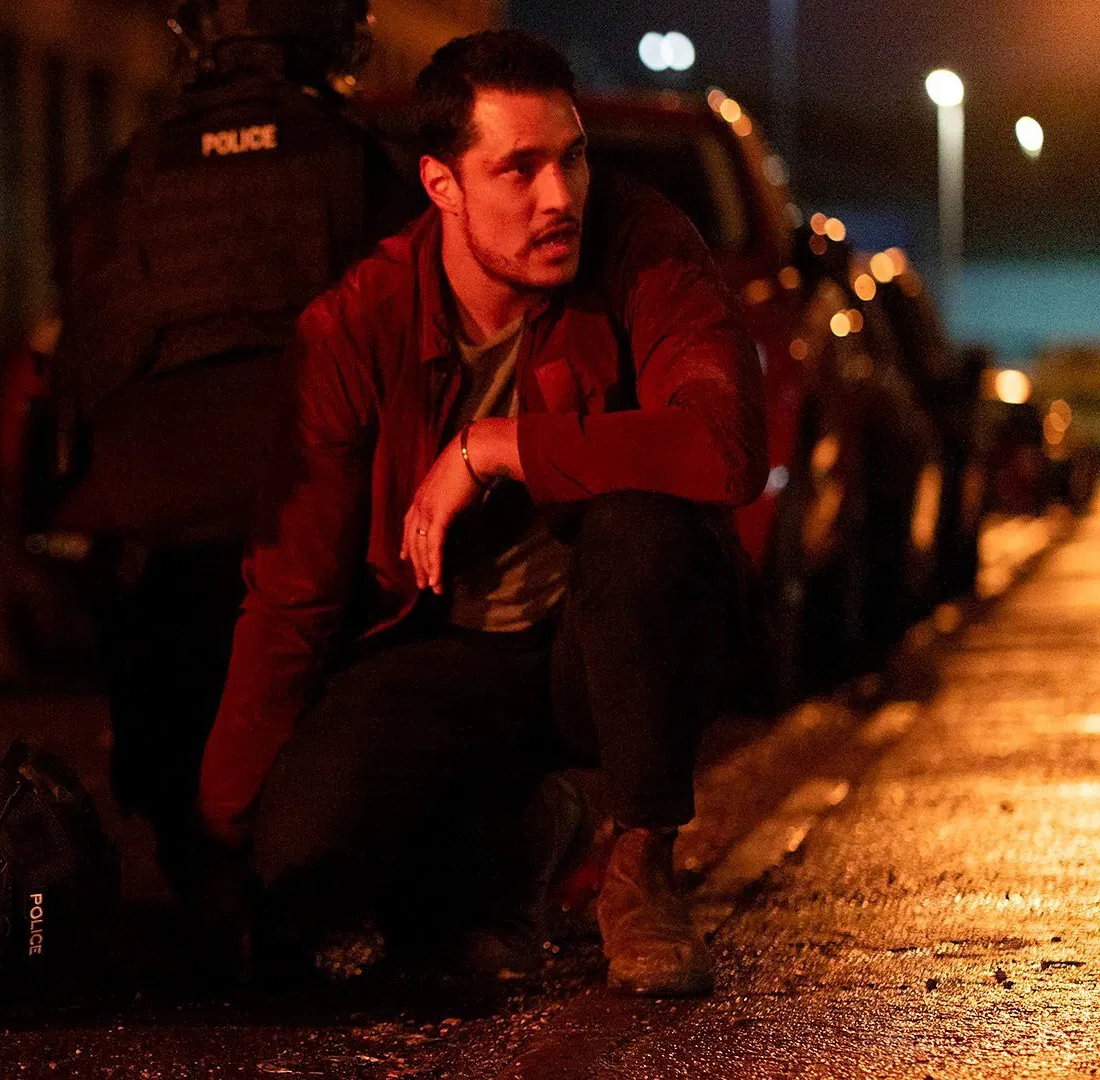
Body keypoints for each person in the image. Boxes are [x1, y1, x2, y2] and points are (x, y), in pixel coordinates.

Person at [196, 30, 766, 996]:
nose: (561, 197)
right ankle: (526, 832)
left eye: (573, 158)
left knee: (644, 527)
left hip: (605, 648)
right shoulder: (357, 324)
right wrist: (226, 839)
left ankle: (640, 864)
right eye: (520, 169)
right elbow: (292, 597)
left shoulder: (641, 244)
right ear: (442, 184)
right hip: (445, 650)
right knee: (302, 862)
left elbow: (724, 448)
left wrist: (498, 446)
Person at [43, 0, 422, 895]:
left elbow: (81, 363)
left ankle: (190, 865)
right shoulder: (363, 165)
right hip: (311, 492)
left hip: (155, 507)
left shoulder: (121, 178)